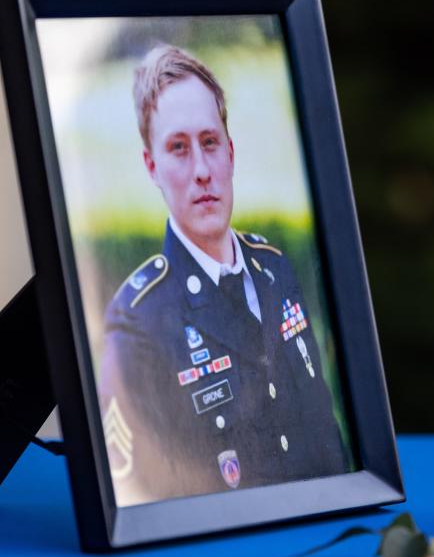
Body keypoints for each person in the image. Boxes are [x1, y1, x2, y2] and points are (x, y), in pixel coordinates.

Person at [97, 44, 348, 506]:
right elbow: (142, 499)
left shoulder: (275, 269)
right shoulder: (139, 323)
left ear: (230, 153)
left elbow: (324, 433)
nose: (201, 172)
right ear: (151, 166)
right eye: (178, 148)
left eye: (210, 143)